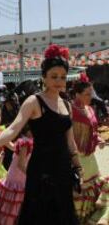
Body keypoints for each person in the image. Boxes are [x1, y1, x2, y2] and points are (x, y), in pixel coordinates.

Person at [0, 44, 82, 225]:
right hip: (41, 171)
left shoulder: (67, 105)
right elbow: (13, 129)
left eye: (63, 77)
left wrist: (77, 168)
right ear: (43, 77)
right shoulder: (34, 101)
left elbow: (70, 142)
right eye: (54, 76)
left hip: (62, 170)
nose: (59, 81)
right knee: (39, 216)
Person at [71, 81, 109, 224]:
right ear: (77, 94)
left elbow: (93, 131)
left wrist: (98, 139)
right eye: (87, 94)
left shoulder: (90, 109)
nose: (90, 97)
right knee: (82, 188)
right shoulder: (70, 110)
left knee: (94, 186)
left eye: (90, 93)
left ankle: (89, 218)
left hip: (90, 156)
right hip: (78, 157)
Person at [0, 126, 33, 225]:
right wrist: (32, 175)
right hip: (17, 178)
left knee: (12, 204)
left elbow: (13, 147)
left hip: (17, 178)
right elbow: (21, 164)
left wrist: (4, 138)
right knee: (11, 204)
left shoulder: (26, 141)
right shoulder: (26, 142)